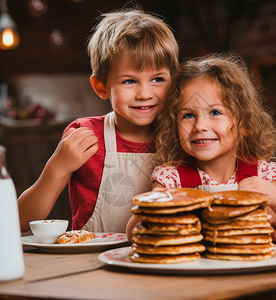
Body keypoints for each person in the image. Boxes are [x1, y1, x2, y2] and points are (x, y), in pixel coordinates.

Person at [126, 53, 276, 250]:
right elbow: (133, 235)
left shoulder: (263, 175)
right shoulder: (170, 179)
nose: (199, 125)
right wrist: (160, 204)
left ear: (244, 124)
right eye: (188, 115)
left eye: (215, 112)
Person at [17, 8, 179, 233]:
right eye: (129, 81)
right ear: (101, 86)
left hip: (155, 259)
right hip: (89, 261)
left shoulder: (180, 138)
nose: (145, 93)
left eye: (157, 79)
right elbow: (21, 222)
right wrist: (57, 167)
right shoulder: (84, 135)